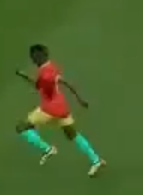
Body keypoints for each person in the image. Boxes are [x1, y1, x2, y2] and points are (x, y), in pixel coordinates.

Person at [15, 45, 104, 176]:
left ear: (40, 56)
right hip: (62, 108)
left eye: (33, 56)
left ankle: (47, 149)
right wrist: (80, 99)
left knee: (21, 127)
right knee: (72, 134)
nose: (32, 59)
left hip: (49, 109)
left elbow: (39, 85)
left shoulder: (44, 74)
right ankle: (96, 160)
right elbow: (65, 83)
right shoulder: (52, 67)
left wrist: (25, 77)